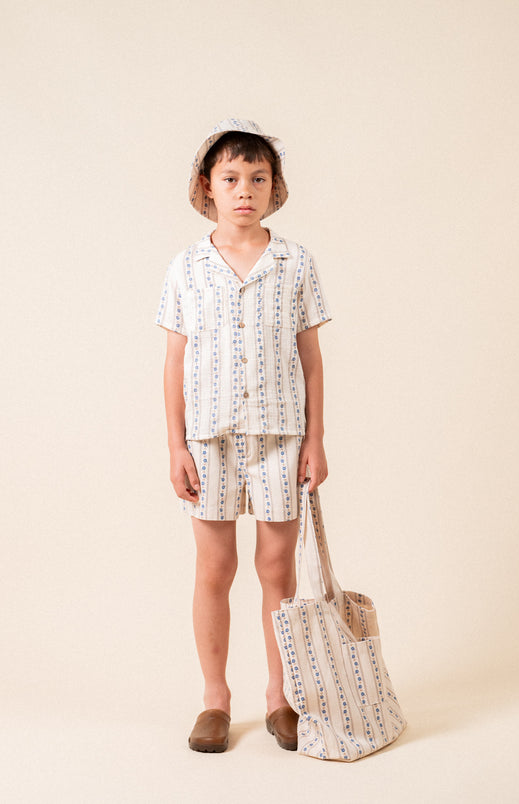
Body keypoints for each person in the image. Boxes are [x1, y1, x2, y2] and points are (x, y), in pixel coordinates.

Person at [155, 119, 332, 753]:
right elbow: (174, 363)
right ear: (208, 185)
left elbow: (311, 359)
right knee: (215, 568)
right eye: (230, 178)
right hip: (209, 440)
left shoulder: (295, 262)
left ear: (273, 186)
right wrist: (176, 446)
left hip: (281, 436)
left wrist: (316, 440)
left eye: (257, 178)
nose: (244, 191)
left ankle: (281, 698)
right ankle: (215, 700)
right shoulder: (187, 267)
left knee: (277, 569)